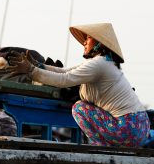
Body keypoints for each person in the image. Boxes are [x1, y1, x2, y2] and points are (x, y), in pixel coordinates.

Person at [8, 22, 150, 147]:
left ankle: (100, 147)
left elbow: (64, 79)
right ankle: (105, 146)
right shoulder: (104, 62)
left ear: (100, 43)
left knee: (79, 108)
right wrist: (39, 66)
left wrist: (32, 71)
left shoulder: (98, 64)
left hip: (128, 128)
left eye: (88, 38)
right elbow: (64, 71)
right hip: (139, 127)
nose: (84, 42)